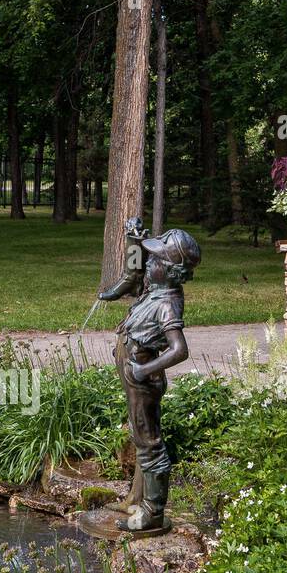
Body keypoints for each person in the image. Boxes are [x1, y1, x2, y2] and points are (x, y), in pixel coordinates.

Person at [97, 222, 201, 532]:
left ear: (170, 270)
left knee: (149, 441)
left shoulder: (167, 303)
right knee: (140, 436)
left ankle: (152, 512)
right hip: (136, 375)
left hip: (142, 378)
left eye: (155, 259)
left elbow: (179, 350)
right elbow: (133, 273)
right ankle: (136, 499)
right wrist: (133, 240)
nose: (148, 261)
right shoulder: (154, 288)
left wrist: (143, 370)